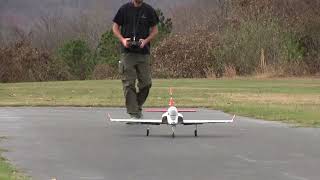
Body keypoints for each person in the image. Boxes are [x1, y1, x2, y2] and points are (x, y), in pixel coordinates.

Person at [112, 0, 159, 119]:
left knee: (146, 83)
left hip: (143, 52)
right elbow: (115, 27)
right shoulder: (124, 9)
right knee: (128, 84)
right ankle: (134, 113)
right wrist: (123, 40)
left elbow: (155, 30)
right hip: (127, 53)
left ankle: (136, 107)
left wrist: (146, 41)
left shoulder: (149, 10)